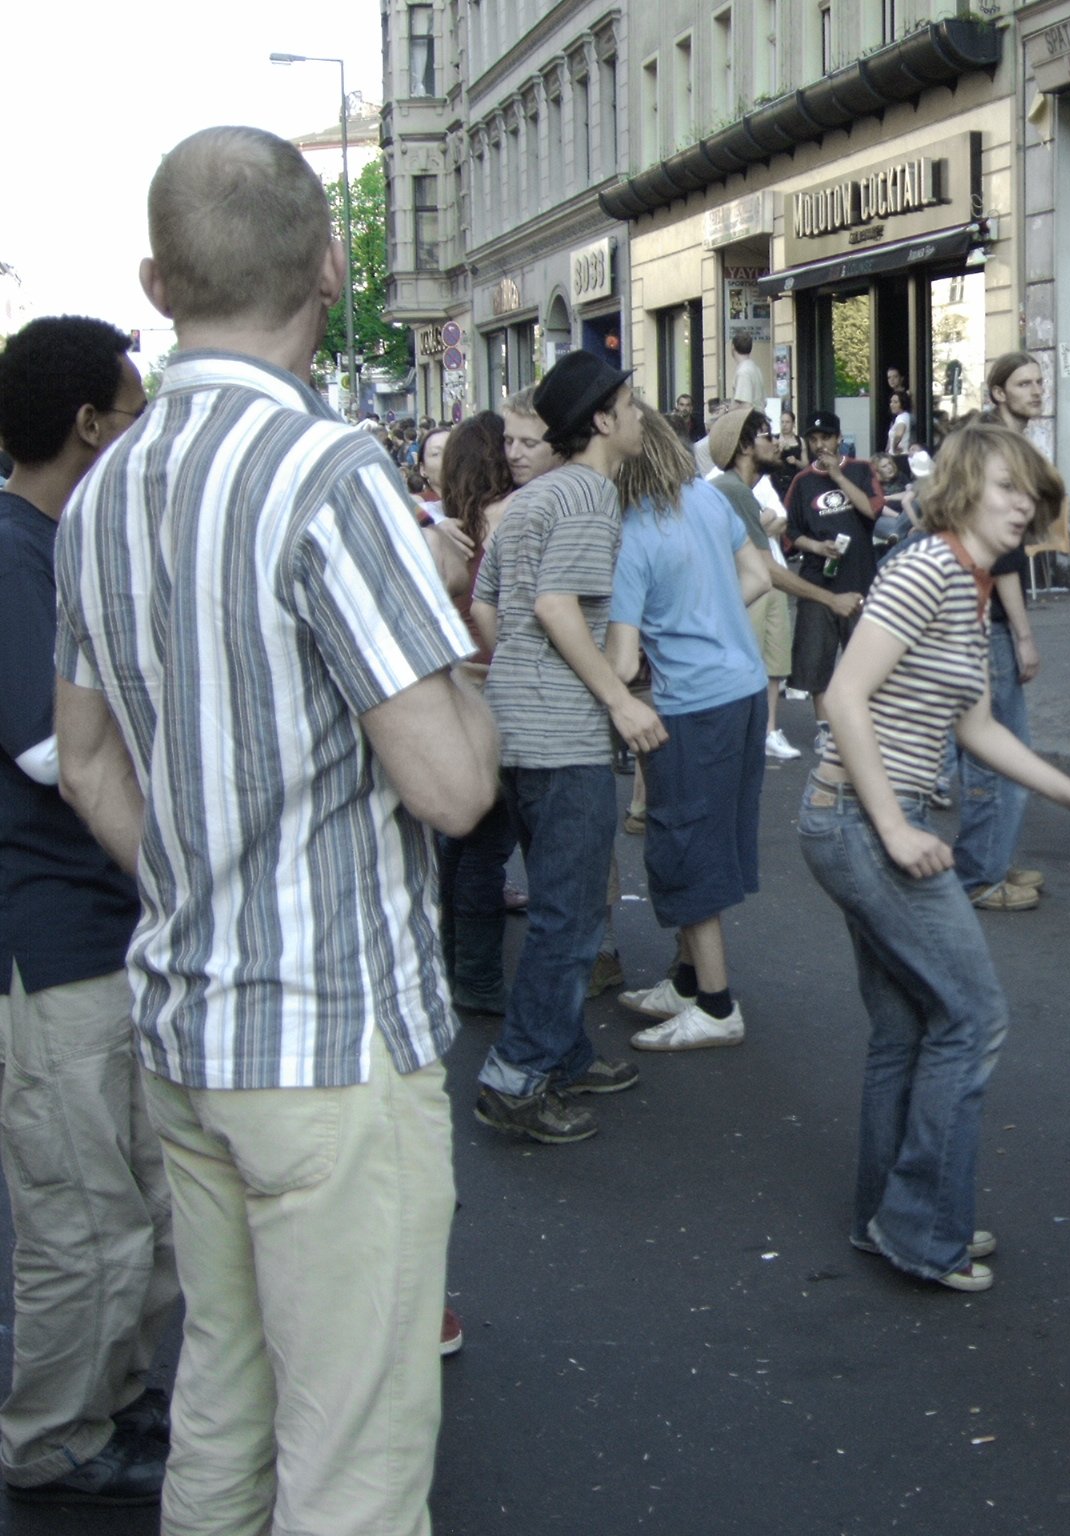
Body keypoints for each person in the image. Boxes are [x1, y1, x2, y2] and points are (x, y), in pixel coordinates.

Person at [52, 126, 499, 1533]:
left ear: (155, 280)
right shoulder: (328, 471)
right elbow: (452, 788)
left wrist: (199, 881)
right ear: (330, 263)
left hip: (187, 1024)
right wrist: (447, 623)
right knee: (353, 1458)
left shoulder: (100, 489)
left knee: (224, 1415)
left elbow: (82, 761)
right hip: (324, 1039)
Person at [799, 422, 1070, 1292]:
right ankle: (921, 1227)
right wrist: (897, 827)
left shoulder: (969, 581)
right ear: (959, 490)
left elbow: (975, 726)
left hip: (864, 819)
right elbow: (843, 698)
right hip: (861, 821)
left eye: (1030, 489)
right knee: (974, 1017)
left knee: (909, 1027)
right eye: (1004, 487)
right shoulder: (924, 569)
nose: (1022, 503)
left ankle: (894, 1219)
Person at [0, 315, 178, 1508]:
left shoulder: (51, 546)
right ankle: (55, 1438)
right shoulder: (14, 557)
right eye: (134, 412)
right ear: (87, 426)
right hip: (51, 938)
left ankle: (108, 1394)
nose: (144, 433)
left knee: (137, 1198)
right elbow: (52, 753)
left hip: (97, 925)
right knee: (81, 1211)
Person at [470, 349, 655, 1144]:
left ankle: (568, 1052)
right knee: (570, 916)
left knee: (557, 904)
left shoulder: (532, 497)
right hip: (560, 736)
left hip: (513, 725)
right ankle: (515, 1076)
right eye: (633, 402)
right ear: (604, 421)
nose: (644, 413)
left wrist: (516, 679)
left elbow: (489, 608)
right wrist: (616, 699)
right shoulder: (586, 494)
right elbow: (553, 605)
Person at [604, 410, 773, 1051]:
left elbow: (621, 663)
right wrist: (710, 615)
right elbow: (757, 577)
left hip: (692, 704)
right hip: (744, 688)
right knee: (711, 838)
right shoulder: (707, 497)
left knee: (684, 847)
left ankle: (716, 1003)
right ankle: (683, 980)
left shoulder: (631, 537)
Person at [690, 408, 862, 778]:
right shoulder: (732, 491)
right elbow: (766, 569)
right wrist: (831, 599)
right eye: (768, 436)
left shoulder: (740, 493)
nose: (778, 442)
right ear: (745, 447)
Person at [425, 413, 520, 1015]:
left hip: (452, 687)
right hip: (496, 686)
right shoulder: (511, 517)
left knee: (460, 843)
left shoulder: (441, 528)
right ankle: (478, 981)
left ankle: (456, 964)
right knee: (487, 846)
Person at [954, 354, 1053, 914]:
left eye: (1040, 382)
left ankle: (991, 859)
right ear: (997, 393)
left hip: (979, 616)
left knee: (998, 749)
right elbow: (1003, 556)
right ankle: (979, 876)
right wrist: (1023, 635)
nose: (1037, 391)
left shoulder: (1002, 447)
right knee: (1000, 752)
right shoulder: (995, 450)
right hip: (985, 619)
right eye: (1024, 384)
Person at [784, 411, 880, 754]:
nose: (819, 444)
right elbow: (790, 531)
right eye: (813, 438)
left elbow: (871, 510)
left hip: (859, 580)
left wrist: (838, 476)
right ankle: (825, 729)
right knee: (816, 660)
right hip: (818, 582)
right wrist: (815, 546)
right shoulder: (802, 482)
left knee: (863, 659)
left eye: (826, 437)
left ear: (839, 439)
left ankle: (861, 724)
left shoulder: (860, 469)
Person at [731, 334, 766, 411]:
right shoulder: (756, 369)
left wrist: (727, 411)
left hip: (749, 422)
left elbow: (745, 405)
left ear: (733, 347)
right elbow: (763, 402)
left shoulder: (743, 372)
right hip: (758, 419)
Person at [886, 389, 914, 456]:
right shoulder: (906, 416)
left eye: (895, 402)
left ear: (903, 403)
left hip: (899, 456)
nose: (891, 404)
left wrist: (894, 448)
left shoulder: (901, 418)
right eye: (891, 402)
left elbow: (899, 435)